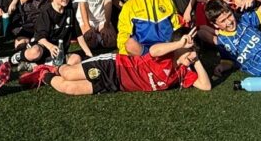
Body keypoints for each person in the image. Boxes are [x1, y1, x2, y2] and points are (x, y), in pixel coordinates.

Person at [20, 27, 211, 95]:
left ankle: (43, 74)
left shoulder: (183, 72)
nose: (192, 54)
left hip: (116, 84)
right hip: (114, 66)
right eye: (190, 50)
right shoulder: (166, 55)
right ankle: (53, 67)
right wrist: (179, 44)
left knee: (69, 88)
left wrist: (196, 60)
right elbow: (154, 50)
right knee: (69, 74)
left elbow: (205, 86)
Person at [8, 0, 91, 69]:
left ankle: (38, 65)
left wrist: (89, 54)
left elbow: (79, 35)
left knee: (76, 59)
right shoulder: (46, 12)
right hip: (43, 48)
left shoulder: (69, 10)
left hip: (58, 51)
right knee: (35, 52)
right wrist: (50, 47)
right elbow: (39, 37)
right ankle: (15, 58)